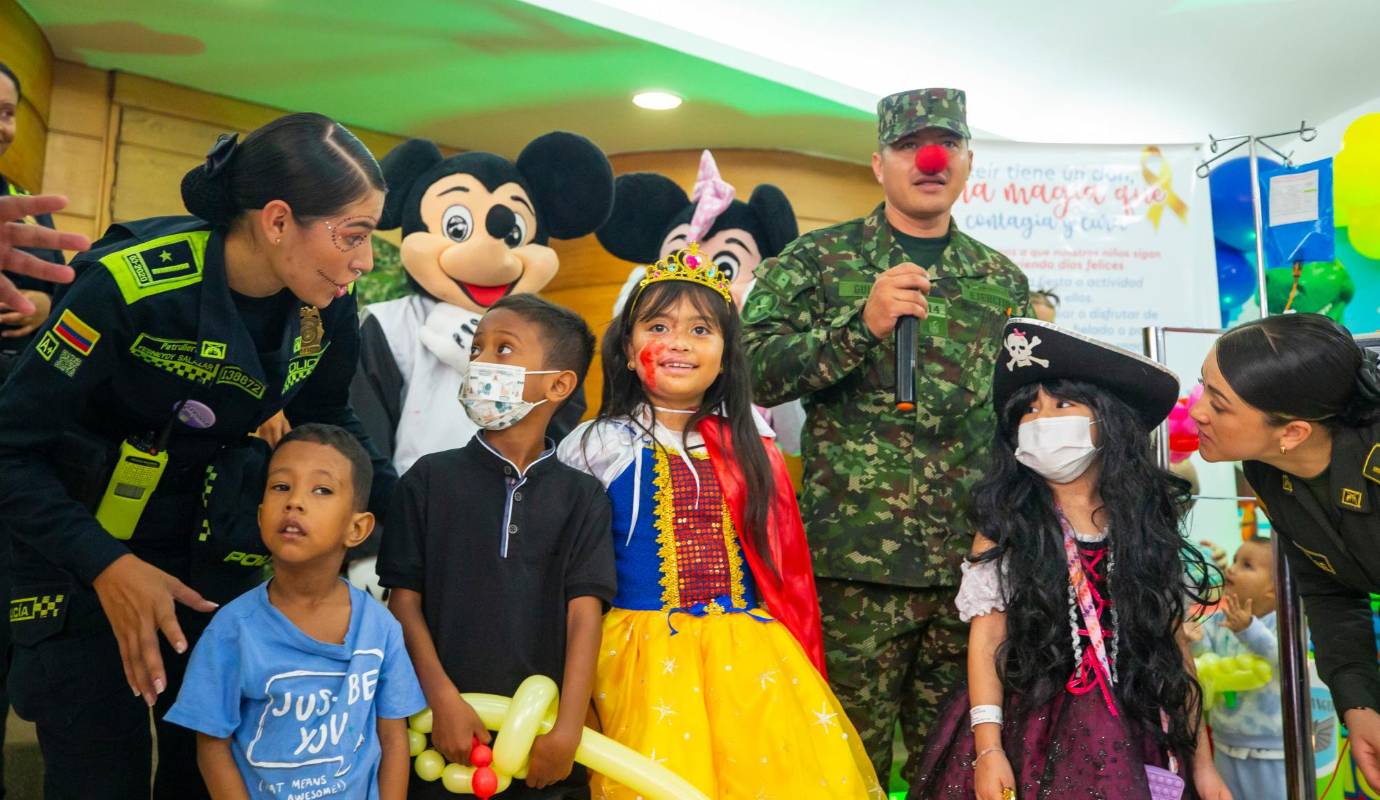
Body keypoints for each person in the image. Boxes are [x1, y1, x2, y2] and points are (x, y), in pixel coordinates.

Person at [0, 112, 395, 799]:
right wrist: (109, 567)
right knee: (99, 775)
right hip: (73, 550)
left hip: (210, 560)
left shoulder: (323, 306)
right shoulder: (125, 287)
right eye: (352, 236)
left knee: (209, 773)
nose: (364, 261)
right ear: (276, 221)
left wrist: (417, 510)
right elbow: (10, 451)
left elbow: (328, 415)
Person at [741, 87, 1030, 783]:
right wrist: (860, 328)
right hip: (853, 570)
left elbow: (1019, 414)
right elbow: (749, 373)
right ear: (878, 164)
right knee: (843, 765)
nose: (927, 159)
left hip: (971, 570)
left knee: (960, 767)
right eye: (908, 146)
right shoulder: (817, 262)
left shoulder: (1001, 281)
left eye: (944, 145)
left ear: (965, 160)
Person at [559, 248, 883, 799]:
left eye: (700, 329)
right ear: (628, 348)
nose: (679, 341)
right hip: (638, 665)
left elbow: (782, 570)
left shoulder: (753, 446)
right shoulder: (596, 446)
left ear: (726, 354)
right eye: (658, 325)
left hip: (751, 668)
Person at [910, 318, 1232, 800]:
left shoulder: (1142, 523)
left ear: (1108, 419)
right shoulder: (1007, 522)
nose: (1042, 420)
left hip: (1137, 724)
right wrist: (989, 749)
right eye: (1029, 409)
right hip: (1025, 730)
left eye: (1063, 403)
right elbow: (988, 637)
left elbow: (1174, 650)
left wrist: (1203, 765)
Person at [380, 294, 616, 799]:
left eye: (504, 350)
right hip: (437, 741)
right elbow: (402, 602)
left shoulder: (584, 497)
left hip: (541, 749)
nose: (483, 361)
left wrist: (568, 730)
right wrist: (442, 701)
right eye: (478, 349)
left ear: (559, 384)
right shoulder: (427, 480)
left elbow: (584, 617)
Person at [165, 424, 425, 799]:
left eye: (321, 490)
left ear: (357, 528)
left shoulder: (380, 627)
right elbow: (211, 745)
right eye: (281, 487)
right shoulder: (233, 629)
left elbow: (393, 738)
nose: (294, 502)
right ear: (260, 515)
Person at [1191, 312, 1380, 791]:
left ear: (1293, 431)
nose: (1196, 412)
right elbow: (1330, 588)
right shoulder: (1267, 465)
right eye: (1203, 389)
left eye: (1219, 403)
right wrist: (1361, 706)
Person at [1185, 536, 1285, 800]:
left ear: (1273, 590)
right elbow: (1203, 655)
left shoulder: (1285, 622)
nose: (1232, 569)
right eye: (1235, 560)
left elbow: (1281, 659)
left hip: (1273, 750)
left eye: (1247, 565)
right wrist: (1190, 634)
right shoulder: (1220, 616)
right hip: (1225, 743)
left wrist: (1249, 630)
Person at [0, 61, 65, 381]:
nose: (0, 125)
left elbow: (64, 291)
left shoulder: (26, 205)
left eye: (6, 113)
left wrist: (45, 305)